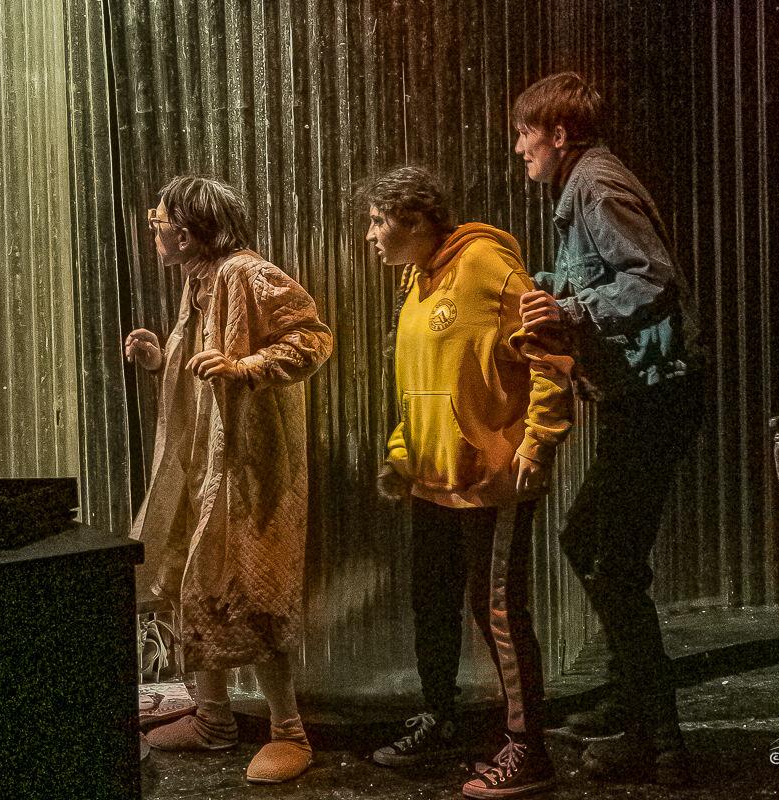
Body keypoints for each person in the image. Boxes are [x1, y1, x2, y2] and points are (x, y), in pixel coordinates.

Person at [511, 72, 705, 787]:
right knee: (589, 543)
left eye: (525, 134)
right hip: (646, 397)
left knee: (607, 559)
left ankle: (660, 741)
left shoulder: (594, 185)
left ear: (558, 134)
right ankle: (631, 701)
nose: (519, 149)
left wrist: (571, 310)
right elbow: (602, 276)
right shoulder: (583, 188)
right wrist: (547, 292)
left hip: (658, 396)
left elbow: (652, 278)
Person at [361, 166, 574, 799]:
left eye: (377, 222)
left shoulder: (485, 265)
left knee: (497, 612)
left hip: (490, 479)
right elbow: (419, 383)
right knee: (431, 602)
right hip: (432, 481)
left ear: (415, 221)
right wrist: (403, 453)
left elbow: (549, 351)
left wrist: (538, 439)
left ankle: (528, 748)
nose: (370, 235)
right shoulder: (417, 281)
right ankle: (442, 718)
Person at [125, 175, 333, 784]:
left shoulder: (247, 274)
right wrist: (159, 361)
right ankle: (213, 718)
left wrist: (249, 367)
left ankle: (289, 731)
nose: (154, 231)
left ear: (188, 234)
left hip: (249, 470)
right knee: (199, 579)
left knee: (252, 589)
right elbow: (202, 366)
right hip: (205, 466)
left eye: (160, 222)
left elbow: (313, 338)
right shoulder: (200, 281)